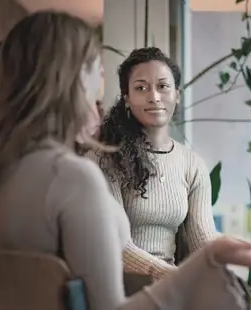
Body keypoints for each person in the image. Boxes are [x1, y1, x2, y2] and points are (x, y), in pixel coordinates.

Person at [0, 11, 251, 310]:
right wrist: (207, 260)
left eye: (163, 87)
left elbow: (201, 236)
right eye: (95, 75)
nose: (98, 92)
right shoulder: (73, 177)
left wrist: (214, 251)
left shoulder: (2, 167)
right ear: (70, 83)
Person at [88, 47, 216, 280]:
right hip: (117, 283)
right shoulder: (104, 158)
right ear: (126, 99)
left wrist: (232, 261)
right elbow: (116, 244)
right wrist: (173, 277)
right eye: (141, 88)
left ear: (177, 94)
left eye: (163, 86)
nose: (154, 96)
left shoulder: (192, 164)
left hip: (170, 283)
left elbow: (203, 240)